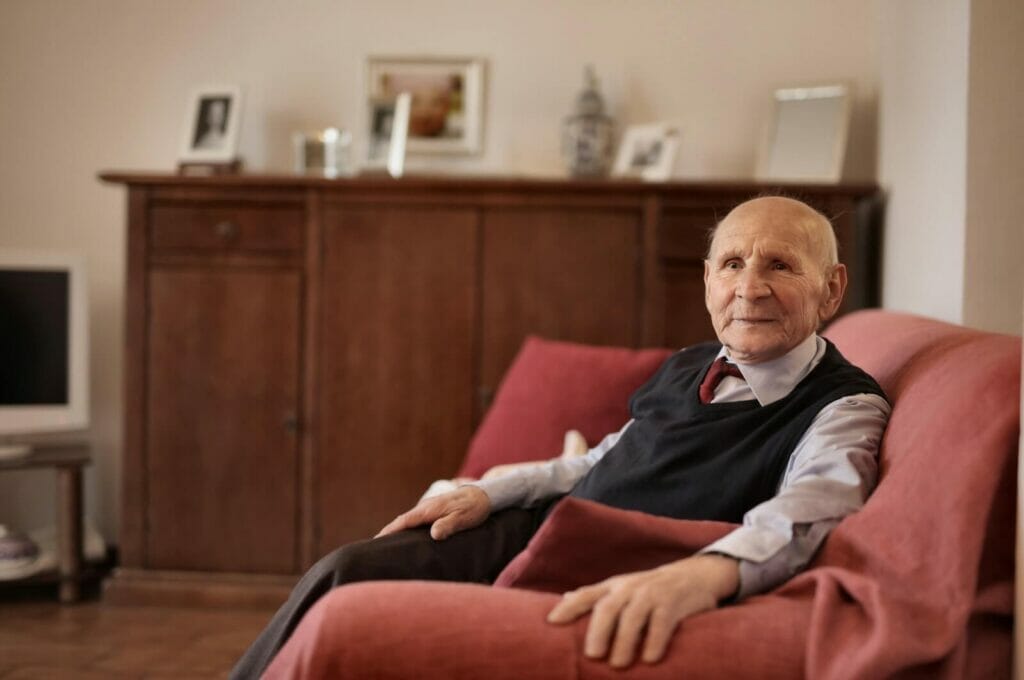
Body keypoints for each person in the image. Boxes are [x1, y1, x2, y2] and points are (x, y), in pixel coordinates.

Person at [231, 196, 890, 678]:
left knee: (356, 621)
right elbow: (608, 455)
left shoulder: (843, 402)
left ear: (830, 290)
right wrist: (491, 491)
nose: (749, 287)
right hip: (542, 526)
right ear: (708, 280)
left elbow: (815, 504)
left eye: (780, 266)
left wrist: (707, 573)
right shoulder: (694, 361)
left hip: (604, 563)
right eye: (733, 264)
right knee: (346, 570)